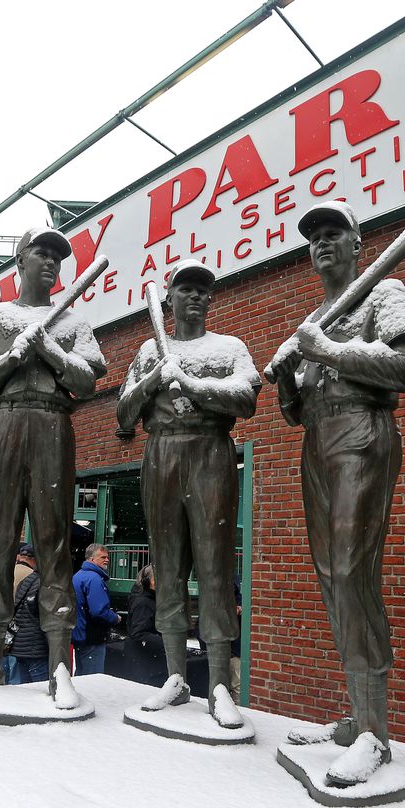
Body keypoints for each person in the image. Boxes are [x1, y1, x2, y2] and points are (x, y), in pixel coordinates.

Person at [267, 198, 405, 786]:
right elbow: (294, 411)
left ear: (357, 242)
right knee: (331, 576)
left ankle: (374, 734)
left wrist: (327, 351)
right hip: (318, 440)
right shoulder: (316, 316)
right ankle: (360, 715)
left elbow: (403, 370)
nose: (323, 243)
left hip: (363, 431)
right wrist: (288, 377)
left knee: (354, 572)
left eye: (335, 233)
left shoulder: (384, 291)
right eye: (315, 237)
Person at [0, 225, 106, 705]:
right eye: (40, 254)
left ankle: (60, 665)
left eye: (56, 257)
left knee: (54, 545)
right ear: (19, 261)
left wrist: (47, 349)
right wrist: (8, 358)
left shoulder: (73, 322)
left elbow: (87, 383)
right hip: (0, 424)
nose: (50, 263)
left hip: (51, 425)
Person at [117, 258, 258, 726]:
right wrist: (157, 377)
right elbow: (122, 414)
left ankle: (218, 683)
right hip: (161, 454)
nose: (195, 295)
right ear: (171, 297)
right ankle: (175, 678)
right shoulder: (148, 350)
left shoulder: (229, 346)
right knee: (168, 570)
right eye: (186, 288)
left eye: (203, 289)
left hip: (210, 452)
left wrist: (194, 385)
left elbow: (247, 399)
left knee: (215, 569)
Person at [71, 543, 121, 676]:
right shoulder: (94, 579)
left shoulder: (78, 576)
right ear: (92, 559)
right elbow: (99, 612)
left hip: (80, 634)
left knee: (81, 675)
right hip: (92, 636)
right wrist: (115, 618)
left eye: (107, 557)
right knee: (92, 680)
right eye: (103, 557)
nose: (107, 560)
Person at [125, 565, 167, 687]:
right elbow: (139, 633)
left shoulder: (148, 599)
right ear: (149, 581)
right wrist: (164, 641)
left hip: (147, 658)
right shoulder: (144, 602)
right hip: (145, 660)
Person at [8, 564, 48, 684]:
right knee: (40, 688)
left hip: (21, 643)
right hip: (35, 645)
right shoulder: (44, 584)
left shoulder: (27, 580)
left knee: (26, 688)